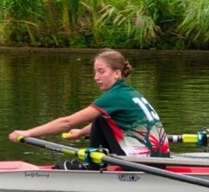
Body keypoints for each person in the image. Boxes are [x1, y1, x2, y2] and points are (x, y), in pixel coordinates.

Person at [9, 49, 170, 169]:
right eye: (95, 72)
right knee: (102, 117)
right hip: (159, 160)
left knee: (100, 117)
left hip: (143, 165)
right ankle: (94, 164)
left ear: (116, 73)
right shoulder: (130, 93)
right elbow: (111, 123)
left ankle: (90, 166)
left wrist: (28, 133)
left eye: (101, 71)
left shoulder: (114, 96)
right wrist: (80, 133)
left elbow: (67, 122)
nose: (96, 77)